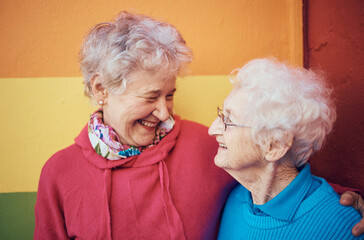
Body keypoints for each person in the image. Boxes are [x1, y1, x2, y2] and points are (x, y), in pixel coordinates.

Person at [34, 12, 364, 239]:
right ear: (101, 89)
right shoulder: (59, 173)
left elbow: (276, 174)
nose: (164, 113)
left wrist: (347, 202)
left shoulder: (206, 146)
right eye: (151, 97)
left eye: (170, 95)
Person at [208, 58, 364, 239]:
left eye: (228, 120)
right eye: (220, 114)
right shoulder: (235, 198)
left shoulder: (343, 227)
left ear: (275, 146)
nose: (212, 129)